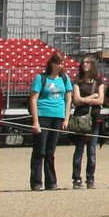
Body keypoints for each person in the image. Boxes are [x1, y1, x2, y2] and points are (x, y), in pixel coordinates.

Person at [29, 52, 73, 190]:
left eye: (62, 63)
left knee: (50, 151)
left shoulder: (65, 78)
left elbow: (68, 99)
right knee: (39, 150)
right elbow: (33, 99)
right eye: (58, 63)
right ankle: (36, 182)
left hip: (58, 116)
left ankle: (51, 182)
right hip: (43, 115)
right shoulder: (41, 78)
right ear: (52, 63)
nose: (60, 66)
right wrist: (35, 121)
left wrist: (66, 118)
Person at [68, 56, 103, 188]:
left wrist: (85, 99)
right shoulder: (77, 81)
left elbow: (101, 101)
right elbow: (76, 100)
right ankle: (76, 179)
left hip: (94, 118)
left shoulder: (98, 82)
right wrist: (92, 97)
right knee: (79, 150)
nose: (84, 64)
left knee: (92, 150)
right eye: (83, 62)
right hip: (80, 118)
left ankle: (90, 179)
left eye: (88, 62)